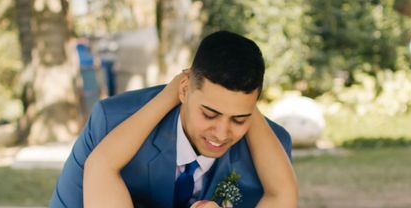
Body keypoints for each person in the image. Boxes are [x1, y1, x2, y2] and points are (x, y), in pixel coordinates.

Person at [50, 30, 297, 208]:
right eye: (209, 114)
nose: (222, 133)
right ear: (185, 89)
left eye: (241, 119)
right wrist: (172, 95)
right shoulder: (110, 122)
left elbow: (282, 194)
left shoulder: (270, 152)